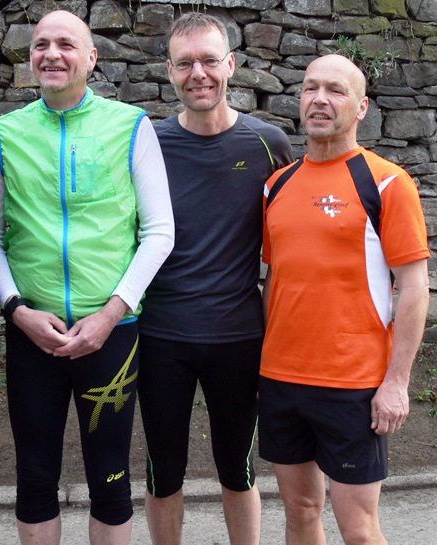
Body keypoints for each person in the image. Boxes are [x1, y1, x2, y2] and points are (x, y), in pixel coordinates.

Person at [0, 10, 174, 545]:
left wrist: (111, 313)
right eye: (40, 44)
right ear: (30, 58)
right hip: (32, 334)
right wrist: (16, 309)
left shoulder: (130, 127)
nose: (51, 54)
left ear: (91, 58)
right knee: (35, 477)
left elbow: (159, 232)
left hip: (110, 334)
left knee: (111, 478)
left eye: (66, 44)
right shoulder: (4, 135)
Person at [259, 54, 430, 545]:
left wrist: (397, 382)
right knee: (301, 513)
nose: (319, 99)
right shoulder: (277, 185)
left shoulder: (387, 182)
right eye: (311, 88)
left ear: (361, 107)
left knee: (358, 529)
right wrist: (264, 365)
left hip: (354, 385)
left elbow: (415, 287)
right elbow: (278, 280)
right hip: (281, 380)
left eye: (335, 90)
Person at [137, 12, 294, 545]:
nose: (198, 73)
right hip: (161, 338)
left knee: (239, 469)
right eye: (185, 64)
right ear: (169, 70)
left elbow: (291, 243)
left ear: (231, 64)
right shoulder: (145, 143)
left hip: (240, 338)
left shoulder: (269, 144)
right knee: (164, 475)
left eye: (209, 60)